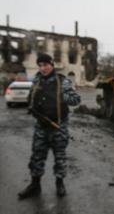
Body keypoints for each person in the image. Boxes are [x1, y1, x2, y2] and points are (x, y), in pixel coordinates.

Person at [18, 53, 81, 199]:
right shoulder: (37, 80)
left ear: (52, 65)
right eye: (40, 65)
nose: (43, 68)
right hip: (41, 127)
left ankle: (60, 183)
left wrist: (63, 97)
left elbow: (76, 99)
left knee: (60, 157)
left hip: (58, 127)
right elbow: (31, 98)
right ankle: (35, 185)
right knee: (36, 157)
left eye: (45, 65)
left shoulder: (62, 81)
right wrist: (31, 105)